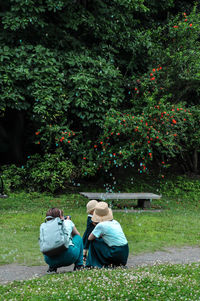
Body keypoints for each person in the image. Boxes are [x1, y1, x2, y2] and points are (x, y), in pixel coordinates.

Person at [86, 202, 129, 269]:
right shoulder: (115, 222)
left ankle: (92, 263)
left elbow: (90, 238)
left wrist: (96, 228)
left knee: (94, 241)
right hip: (124, 253)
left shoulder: (100, 225)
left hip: (115, 253)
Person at [43, 208, 84, 273]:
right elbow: (76, 234)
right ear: (61, 217)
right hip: (68, 257)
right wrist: (68, 222)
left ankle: (52, 267)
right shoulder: (67, 222)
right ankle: (79, 265)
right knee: (78, 238)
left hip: (50, 260)